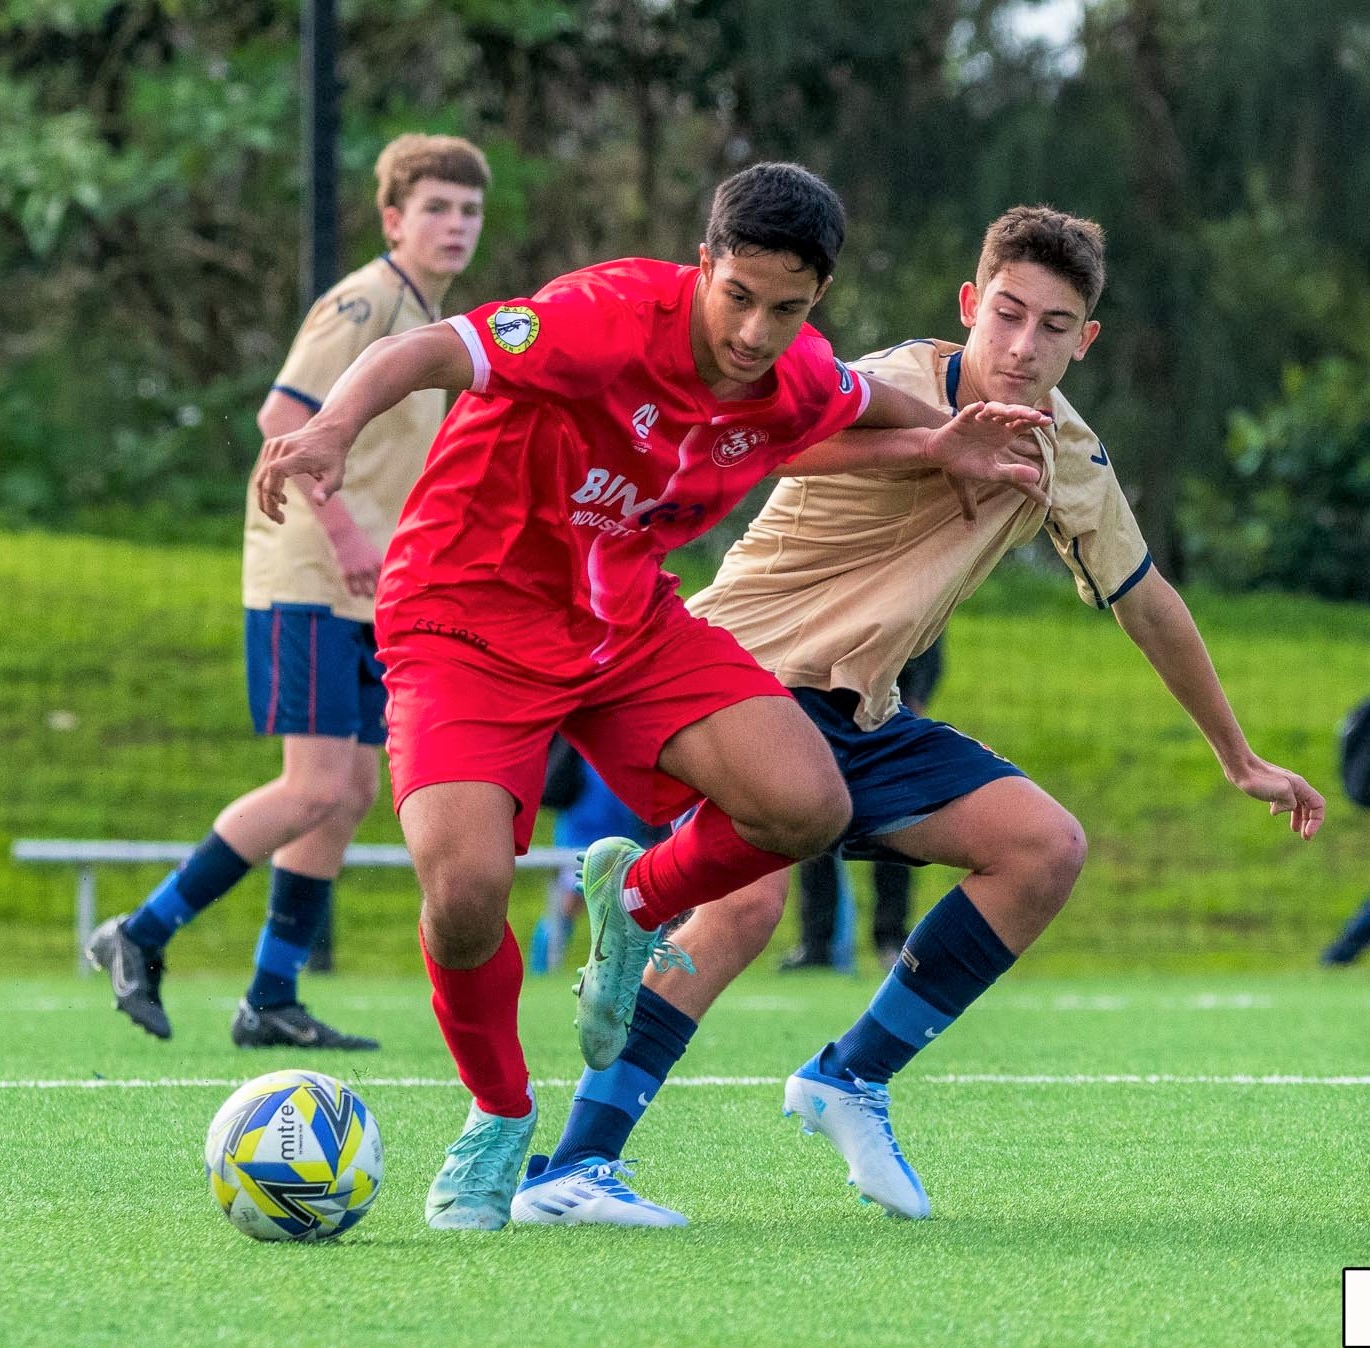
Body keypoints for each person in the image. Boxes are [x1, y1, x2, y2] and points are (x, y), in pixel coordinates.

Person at [253, 162, 1053, 1231]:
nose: (756, 332)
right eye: (739, 297)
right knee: (466, 892)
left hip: (623, 623)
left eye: (786, 309)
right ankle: (499, 1117)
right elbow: (427, 349)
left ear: (816, 299)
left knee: (805, 804)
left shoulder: (793, 368)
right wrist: (335, 427)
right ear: (703, 263)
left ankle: (630, 908)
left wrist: (938, 439)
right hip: (464, 617)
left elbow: (851, 404)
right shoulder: (603, 316)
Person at [510, 204, 1326, 1229]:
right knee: (748, 905)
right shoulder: (883, 382)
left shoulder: (1067, 454)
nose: (1022, 346)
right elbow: (751, 443)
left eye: (1053, 326)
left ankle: (848, 1077)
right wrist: (933, 449)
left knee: (1041, 847)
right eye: (1007, 314)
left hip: (860, 710)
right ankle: (573, 1165)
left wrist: (1238, 757)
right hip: (734, 678)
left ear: (1085, 340)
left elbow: (1148, 601)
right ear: (968, 304)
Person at [85, 134, 492, 1048]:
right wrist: (346, 536)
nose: (455, 224)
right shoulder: (366, 300)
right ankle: (139, 933)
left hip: (368, 589)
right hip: (310, 573)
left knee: (347, 793)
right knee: (313, 787)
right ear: (393, 218)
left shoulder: (430, 315)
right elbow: (283, 417)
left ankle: (270, 997)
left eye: (468, 210)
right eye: (435, 207)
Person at [780, 640, 945, 971]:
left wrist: (916, 697)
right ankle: (817, 943)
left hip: (889, 716)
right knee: (815, 826)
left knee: (896, 830)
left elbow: (928, 642)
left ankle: (891, 939)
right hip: (825, 709)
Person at [530, 738, 668, 973]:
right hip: (581, 832)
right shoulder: (577, 740)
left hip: (626, 832)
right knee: (569, 902)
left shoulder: (629, 741)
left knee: (640, 905)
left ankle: (650, 970)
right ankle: (542, 969)